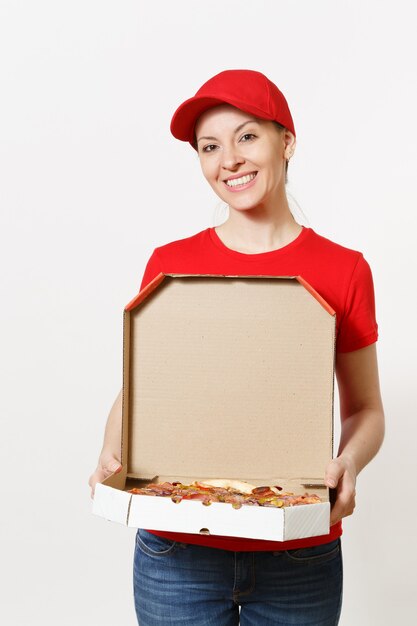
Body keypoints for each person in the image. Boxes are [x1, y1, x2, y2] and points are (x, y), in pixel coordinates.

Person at [89, 69, 385, 625]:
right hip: (176, 549)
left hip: (299, 550)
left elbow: (367, 408)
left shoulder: (343, 270)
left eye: (246, 136)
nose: (229, 159)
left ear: (287, 142)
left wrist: (349, 463)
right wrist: (111, 451)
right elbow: (141, 391)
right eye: (209, 146)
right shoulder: (170, 265)